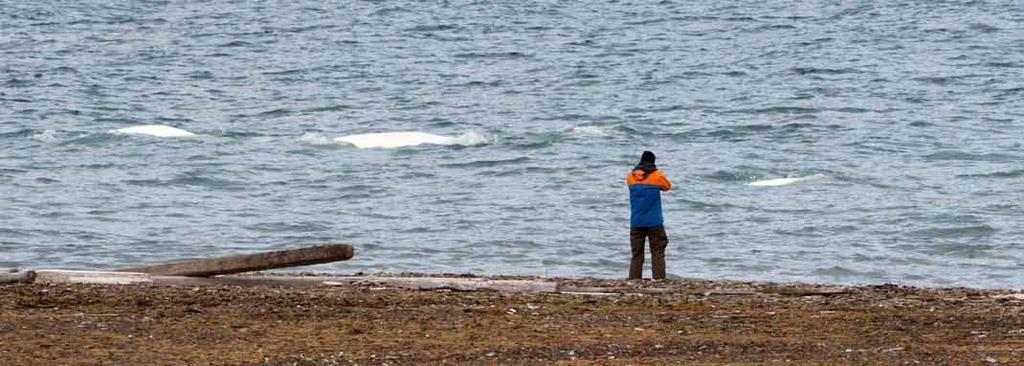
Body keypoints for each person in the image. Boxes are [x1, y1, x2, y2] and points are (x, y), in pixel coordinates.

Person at [626, 151, 672, 280]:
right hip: (654, 221)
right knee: (657, 252)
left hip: (636, 221)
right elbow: (667, 186)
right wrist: (657, 173)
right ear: (653, 162)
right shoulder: (657, 176)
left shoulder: (630, 176)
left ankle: (634, 280)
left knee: (637, 254)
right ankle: (658, 280)